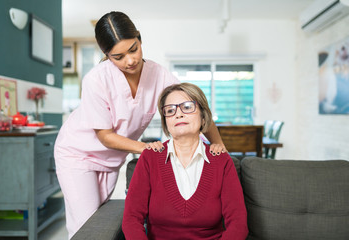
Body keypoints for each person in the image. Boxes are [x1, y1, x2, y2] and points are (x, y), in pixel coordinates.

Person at [54, 12, 226, 239]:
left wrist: (219, 143)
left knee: (99, 219)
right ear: (106, 55)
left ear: (140, 39)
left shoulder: (158, 74)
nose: (130, 60)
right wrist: (145, 148)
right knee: (86, 226)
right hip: (77, 153)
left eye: (133, 49)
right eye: (118, 56)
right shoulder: (96, 80)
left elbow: (192, 105)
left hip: (111, 159)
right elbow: (105, 136)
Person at [122, 83, 248, 240]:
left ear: (203, 117)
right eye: (170, 110)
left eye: (187, 107)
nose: (178, 114)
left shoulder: (221, 161)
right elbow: (131, 219)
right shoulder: (150, 158)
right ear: (166, 122)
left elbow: (238, 224)